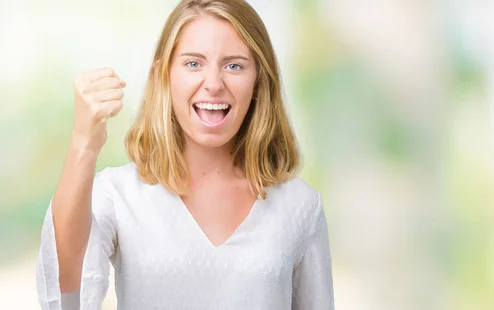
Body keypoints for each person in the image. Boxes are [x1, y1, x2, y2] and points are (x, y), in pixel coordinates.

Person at [35, 0, 335, 309]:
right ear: (164, 74)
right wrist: (84, 144)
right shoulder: (118, 194)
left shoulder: (300, 206)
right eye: (194, 63)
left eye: (234, 65)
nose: (214, 84)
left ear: (258, 79)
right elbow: (63, 296)